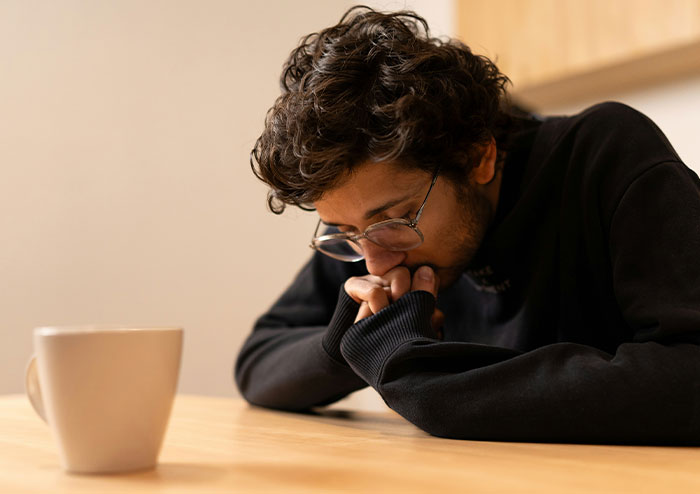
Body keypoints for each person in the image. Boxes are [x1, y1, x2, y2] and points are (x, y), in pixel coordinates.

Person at [235, 6, 700, 444]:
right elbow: (257, 364)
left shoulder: (602, 154)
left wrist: (417, 379)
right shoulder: (371, 228)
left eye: (394, 219)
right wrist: (347, 345)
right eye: (344, 232)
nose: (374, 260)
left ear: (478, 157)